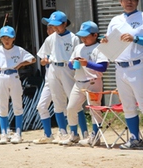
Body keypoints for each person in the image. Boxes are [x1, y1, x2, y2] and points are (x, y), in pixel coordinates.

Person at [100, 0, 143, 150]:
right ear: (120, 2)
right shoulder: (115, 21)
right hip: (120, 67)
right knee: (127, 105)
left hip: (138, 65)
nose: (129, 2)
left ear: (137, 1)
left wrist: (135, 38)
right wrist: (105, 41)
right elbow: (110, 41)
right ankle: (135, 139)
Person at [36, 11, 87, 144]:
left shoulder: (73, 38)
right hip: (53, 68)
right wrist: (44, 60)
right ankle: (63, 132)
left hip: (67, 68)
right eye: (52, 25)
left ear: (65, 24)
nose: (54, 27)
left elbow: (78, 56)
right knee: (58, 102)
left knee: (74, 102)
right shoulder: (50, 38)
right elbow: (43, 56)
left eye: (57, 25)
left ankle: (83, 132)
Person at [0, 26, 36, 145]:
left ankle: (18, 133)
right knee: (2, 105)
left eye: (9, 38)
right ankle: (4, 133)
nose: (6, 40)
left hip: (14, 75)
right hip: (2, 75)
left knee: (17, 104)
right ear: (0, 39)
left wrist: (21, 64)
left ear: (14, 38)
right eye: (4, 37)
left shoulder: (19, 50)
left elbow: (32, 59)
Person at [59, 21, 108, 146]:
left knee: (94, 109)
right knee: (71, 108)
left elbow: (103, 67)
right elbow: (70, 65)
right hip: (79, 82)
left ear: (95, 35)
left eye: (86, 36)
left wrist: (87, 63)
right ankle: (74, 135)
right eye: (82, 36)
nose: (83, 38)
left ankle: (95, 136)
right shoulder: (78, 47)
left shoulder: (100, 48)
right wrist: (74, 62)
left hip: (93, 81)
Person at [33, 23, 56, 144]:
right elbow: (42, 61)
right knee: (41, 106)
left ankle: (71, 134)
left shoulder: (64, 39)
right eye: (47, 28)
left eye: (51, 27)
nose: (49, 30)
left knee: (66, 107)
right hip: (49, 79)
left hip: (62, 78)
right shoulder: (47, 41)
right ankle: (48, 135)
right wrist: (44, 61)